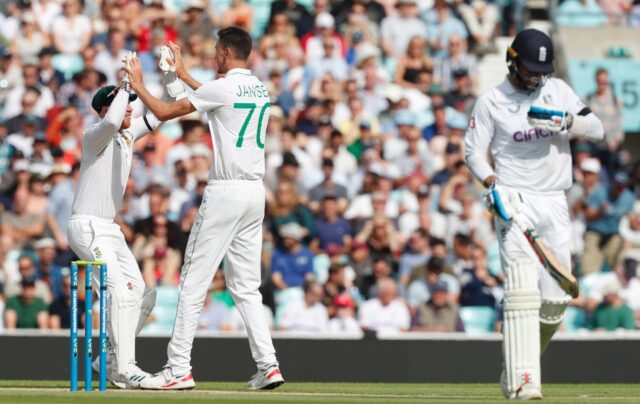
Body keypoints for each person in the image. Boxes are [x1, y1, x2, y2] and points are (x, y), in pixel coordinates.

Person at [124, 27, 284, 390]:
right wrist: (180, 74)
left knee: (193, 281)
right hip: (254, 194)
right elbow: (214, 98)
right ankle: (269, 364)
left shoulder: (221, 88)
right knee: (246, 287)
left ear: (226, 52)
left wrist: (139, 84)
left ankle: (178, 368)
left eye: (216, 50)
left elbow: (165, 110)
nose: (213, 55)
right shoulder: (259, 88)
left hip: (226, 191)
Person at [464, 29, 604, 399]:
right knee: (522, 285)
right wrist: (493, 184)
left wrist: (568, 122)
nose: (537, 76)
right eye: (530, 69)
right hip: (515, 199)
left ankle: (518, 365)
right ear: (512, 61)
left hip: (555, 200)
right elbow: (473, 152)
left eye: (542, 69)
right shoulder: (491, 101)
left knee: (557, 301)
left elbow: (599, 129)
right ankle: (526, 380)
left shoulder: (557, 91)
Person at [66, 62, 161, 387]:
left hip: (109, 228)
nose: (131, 110)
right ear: (107, 108)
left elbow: (160, 114)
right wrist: (125, 83)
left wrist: (173, 82)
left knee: (141, 296)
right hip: (87, 225)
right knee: (120, 293)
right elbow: (110, 120)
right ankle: (125, 367)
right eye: (125, 104)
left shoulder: (127, 135)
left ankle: (107, 354)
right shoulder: (95, 135)